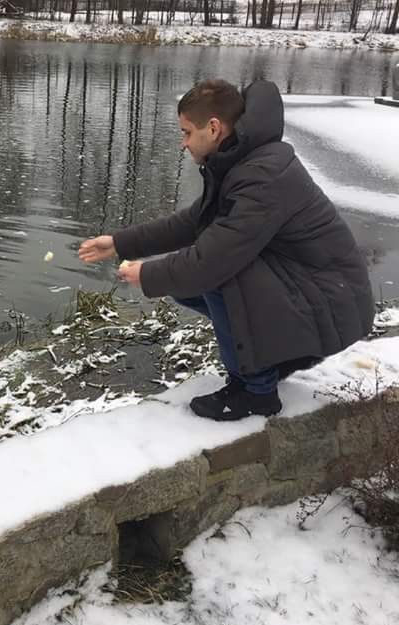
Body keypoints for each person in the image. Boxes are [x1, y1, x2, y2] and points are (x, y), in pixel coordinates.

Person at [78, 79, 375, 421]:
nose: (183, 143)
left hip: (332, 304)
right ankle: (276, 358)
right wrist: (119, 243)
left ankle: (255, 391)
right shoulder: (242, 159)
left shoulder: (262, 176)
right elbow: (194, 222)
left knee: (219, 277)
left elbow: (213, 261)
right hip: (319, 294)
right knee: (193, 281)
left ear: (214, 128)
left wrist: (147, 273)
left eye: (187, 132)